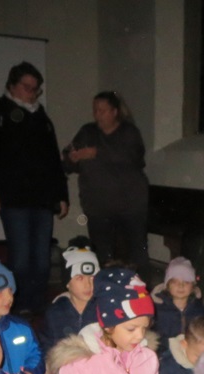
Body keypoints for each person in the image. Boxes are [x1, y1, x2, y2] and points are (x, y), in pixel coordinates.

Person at [0, 61, 69, 315]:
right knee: (20, 258)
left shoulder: (41, 118)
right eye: (27, 87)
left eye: (35, 88)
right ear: (12, 85)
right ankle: (17, 306)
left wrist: (61, 195)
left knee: (41, 260)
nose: (32, 93)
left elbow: (53, 160)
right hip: (13, 199)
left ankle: (38, 305)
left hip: (42, 199)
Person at [62, 91, 150, 275]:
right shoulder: (87, 132)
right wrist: (72, 158)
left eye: (102, 110)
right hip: (97, 207)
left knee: (136, 253)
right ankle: (106, 287)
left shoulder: (128, 132)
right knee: (102, 254)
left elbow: (134, 158)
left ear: (115, 112)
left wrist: (97, 153)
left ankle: (139, 287)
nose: (98, 115)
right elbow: (69, 161)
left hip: (130, 207)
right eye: (95, 110)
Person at [41, 242, 100, 353]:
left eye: (92, 278)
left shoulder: (104, 310)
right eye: (80, 278)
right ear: (67, 283)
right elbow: (47, 348)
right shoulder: (55, 313)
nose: (88, 285)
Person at [152, 257, 204, 343]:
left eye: (186, 282)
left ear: (193, 286)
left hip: (190, 348)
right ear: (167, 286)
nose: (181, 286)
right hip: (164, 349)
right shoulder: (157, 310)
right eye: (175, 282)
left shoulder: (199, 309)